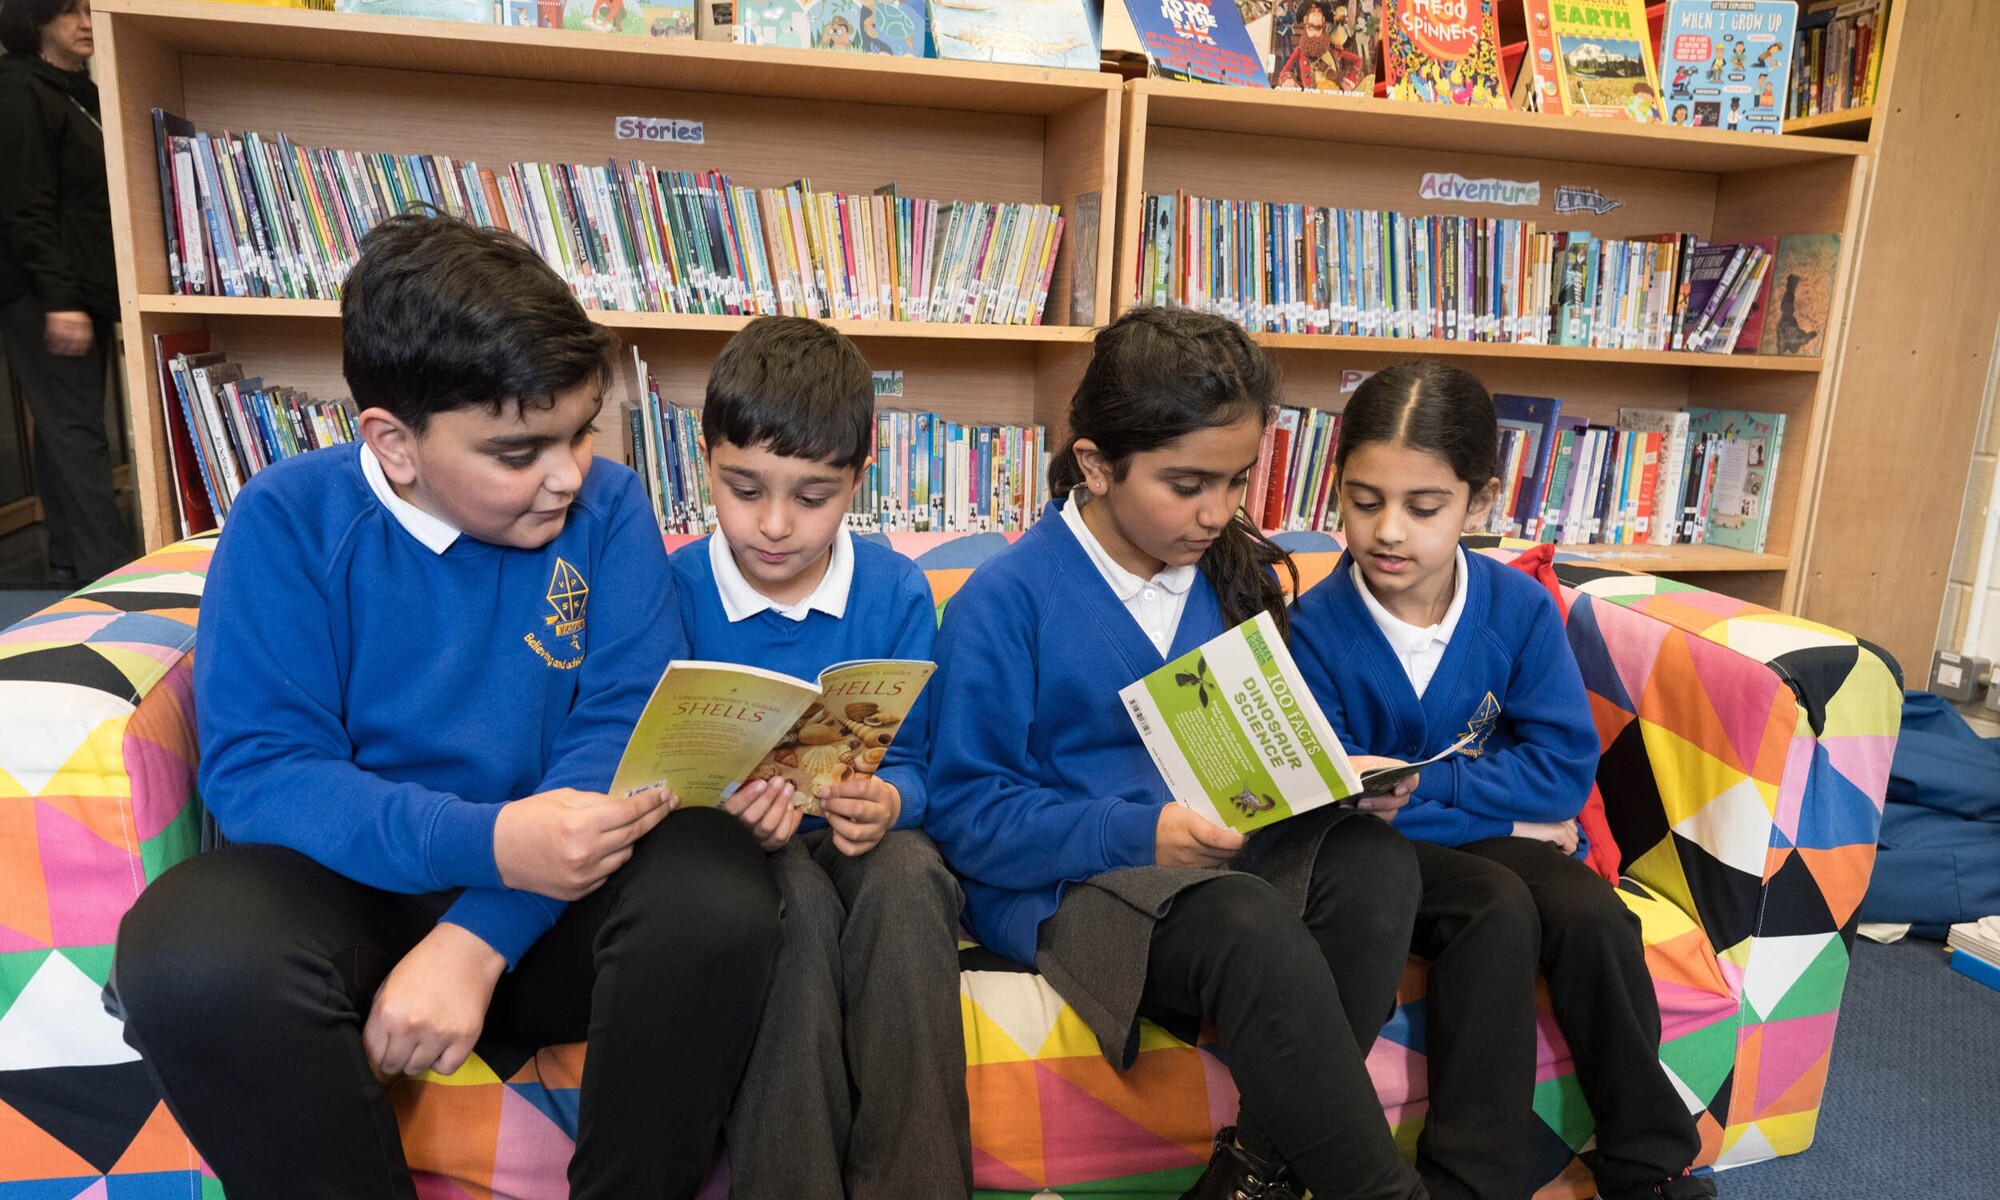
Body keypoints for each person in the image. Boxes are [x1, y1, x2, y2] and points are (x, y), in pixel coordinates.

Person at [111, 212, 782, 1200]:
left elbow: (622, 733)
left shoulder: (608, 509)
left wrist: (478, 939)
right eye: (517, 452)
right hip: (360, 891)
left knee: (716, 883)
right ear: (393, 443)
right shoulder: (288, 520)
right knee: (187, 953)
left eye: (580, 433)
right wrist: (489, 845)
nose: (564, 476)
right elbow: (264, 776)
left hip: (559, 895)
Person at [926, 306, 1428, 1200]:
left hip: (1225, 859)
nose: (1218, 512)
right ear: (1095, 464)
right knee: (1247, 929)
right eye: (1187, 484)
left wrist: (1337, 779)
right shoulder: (1003, 603)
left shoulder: (1230, 571)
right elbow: (968, 814)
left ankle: (1251, 1172)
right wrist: (1140, 834)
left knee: (1378, 867)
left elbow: (1267, 731)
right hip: (1079, 888)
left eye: (1237, 483)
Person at [1289, 361, 1717, 1200]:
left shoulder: (1516, 610)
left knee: (1594, 914)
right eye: (1364, 500)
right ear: (1336, 490)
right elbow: (1334, 810)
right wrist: (1509, 816)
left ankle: (1649, 1160)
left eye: (1425, 506)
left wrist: (1436, 792)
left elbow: (1559, 773)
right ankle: (1471, 1180)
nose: (1388, 533)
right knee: (1498, 903)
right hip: (1381, 864)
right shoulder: (1310, 629)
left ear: (1479, 503)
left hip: (1454, 831)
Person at [670, 315, 971, 1200]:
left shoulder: (894, 589)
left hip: (861, 839)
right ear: (704, 458)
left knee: (911, 882)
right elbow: (646, 757)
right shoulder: (673, 588)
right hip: (737, 852)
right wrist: (717, 811)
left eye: (812, 496)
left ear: (857, 481)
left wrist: (893, 802)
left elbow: (921, 763)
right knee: (788, 909)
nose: (772, 526)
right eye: (744, 488)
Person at [0, 0, 131, 582]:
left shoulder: (84, 92)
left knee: (63, 430)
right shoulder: (20, 91)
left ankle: (70, 562)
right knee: (78, 432)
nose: (85, 22)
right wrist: (61, 300)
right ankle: (114, 576)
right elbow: (26, 208)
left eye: (88, 8)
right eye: (68, 11)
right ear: (35, 22)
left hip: (85, 288)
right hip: (43, 294)